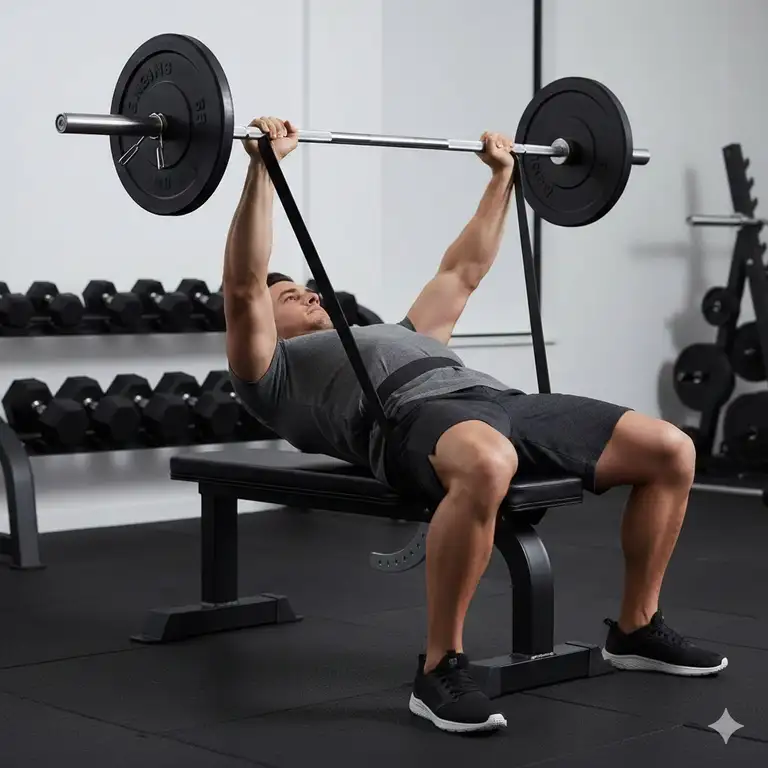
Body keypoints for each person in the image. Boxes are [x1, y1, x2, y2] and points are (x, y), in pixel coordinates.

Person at [222, 116, 727, 735]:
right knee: (489, 460)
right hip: (408, 419)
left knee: (671, 449)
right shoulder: (267, 371)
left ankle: (637, 629)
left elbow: (463, 272)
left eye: (308, 289)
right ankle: (440, 670)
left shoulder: (397, 334)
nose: (308, 295)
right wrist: (262, 167)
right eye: (290, 296)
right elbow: (245, 284)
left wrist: (504, 176)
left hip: (499, 401)